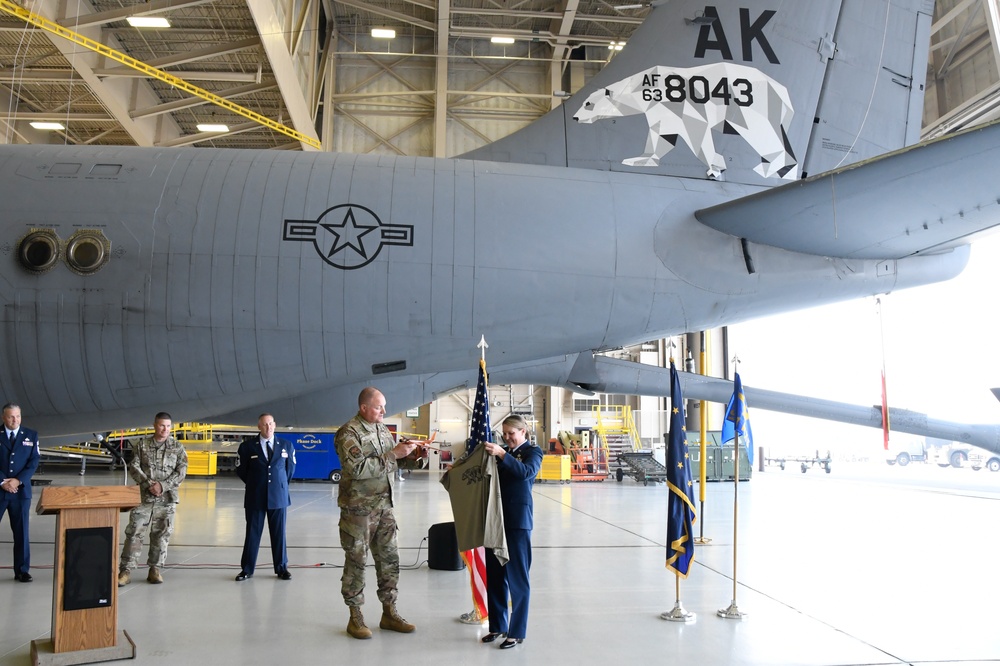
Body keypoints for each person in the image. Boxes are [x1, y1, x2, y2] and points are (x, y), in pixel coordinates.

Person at [334, 387, 418, 640]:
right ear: (363, 407)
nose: (384, 410)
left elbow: (391, 462)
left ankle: (389, 612)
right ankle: (355, 617)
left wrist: (413, 456)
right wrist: (395, 454)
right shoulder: (348, 433)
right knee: (357, 562)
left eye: (384, 406)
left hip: (384, 508)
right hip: (358, 511)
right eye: (379, 406)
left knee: (389, 560)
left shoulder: (382, 430)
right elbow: (358, 468)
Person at [480, 415, 543, 650]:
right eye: (504, 434)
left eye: (511, 434)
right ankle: (498, 626)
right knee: (495, 576)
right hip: (495, 519)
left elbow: (526, 473)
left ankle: (516, 632)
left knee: (517, 578)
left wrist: (502, 454)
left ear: (523, 432)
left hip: (517, 522)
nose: (507, 438)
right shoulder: (500, 452)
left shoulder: (533, 453)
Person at [118, 412, 188, 586]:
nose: (165, 429)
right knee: (134, 533)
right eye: (162, 425)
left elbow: (182, 471)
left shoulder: (177, 447)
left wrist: (162, 486)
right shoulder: (142, 445)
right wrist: (149, 484)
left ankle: (155, 569)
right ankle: (125, 570)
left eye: (168, 426)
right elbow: (133, 466)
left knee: (161, 534)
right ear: (155, 425)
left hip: (167, 499)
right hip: (143, 498)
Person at [235, 413, 296, 581]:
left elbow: (289, 470)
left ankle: (282, 568)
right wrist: (256, 483)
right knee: (252, 534)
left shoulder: (286, 445)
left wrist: (278, 485)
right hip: (255, 496)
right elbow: (242, 471)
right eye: (264, 424)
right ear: (259, 427)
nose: (268, 427)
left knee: (279, 534)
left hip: (278, 497)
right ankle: (247, 569)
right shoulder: (247, 447)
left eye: (270, 424)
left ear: (275, 425)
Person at [1, 403, 40, 583]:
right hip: (0, 490)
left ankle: (22, 570)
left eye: (17, 416)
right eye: (11, 417)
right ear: (4, 418)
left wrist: (18, 480)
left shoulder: (31, 436)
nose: (14, 420)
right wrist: (3, 481)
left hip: (21, 492)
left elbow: (33, 462)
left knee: (22, 533)